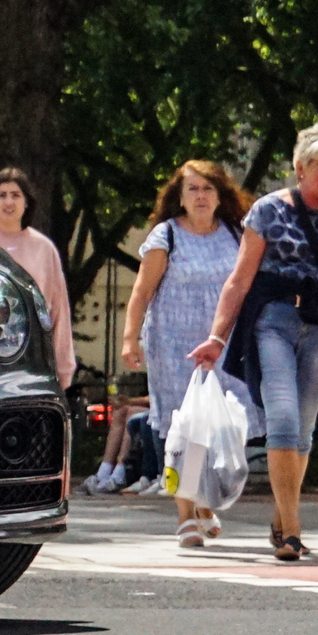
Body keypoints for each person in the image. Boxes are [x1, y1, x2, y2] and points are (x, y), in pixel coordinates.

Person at [191, 126, 318, 561]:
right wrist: (217, 336)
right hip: (272, 321)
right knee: (284, 420)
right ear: (300, 169)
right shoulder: (269, 210)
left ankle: (280, 514)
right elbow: (240, 279)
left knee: (304, 431)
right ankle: (291, 531)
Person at [119, 161, 255, 546]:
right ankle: (186, 515)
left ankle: (204, 503)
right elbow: (141, 292)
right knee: (186, 433)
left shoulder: (235, 234)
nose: (200, 196)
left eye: (208, 189)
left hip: (224, 347)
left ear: (220, 195)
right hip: (175, 348)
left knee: (224, 427)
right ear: (179, 196)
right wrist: (130, 339)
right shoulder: (167, 236)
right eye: (193, 189)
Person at [0, 167, 75, 389]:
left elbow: (58, 309)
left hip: (29, 358)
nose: (9, 202)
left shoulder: (44, 248)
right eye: (2, 195)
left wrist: (64, 366)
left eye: (16, 195)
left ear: (26, 203)